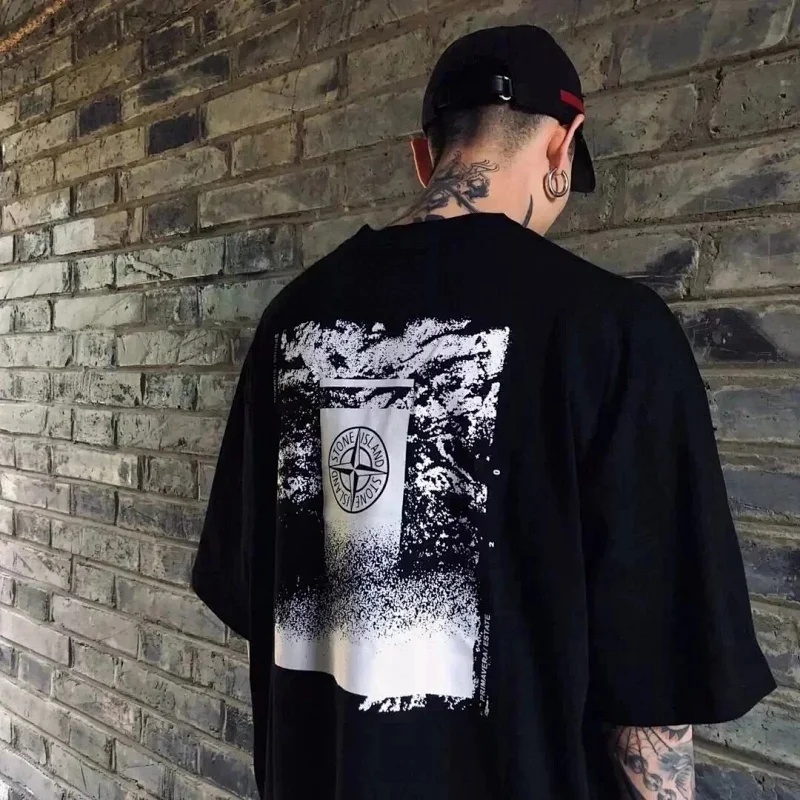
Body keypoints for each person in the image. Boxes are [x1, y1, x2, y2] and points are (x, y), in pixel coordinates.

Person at [192, 25, 775, 800]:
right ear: (563, 144)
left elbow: (253, 591)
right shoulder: (616, 333)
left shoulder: (292, 322)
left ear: (423, 155)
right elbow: (652, 690)